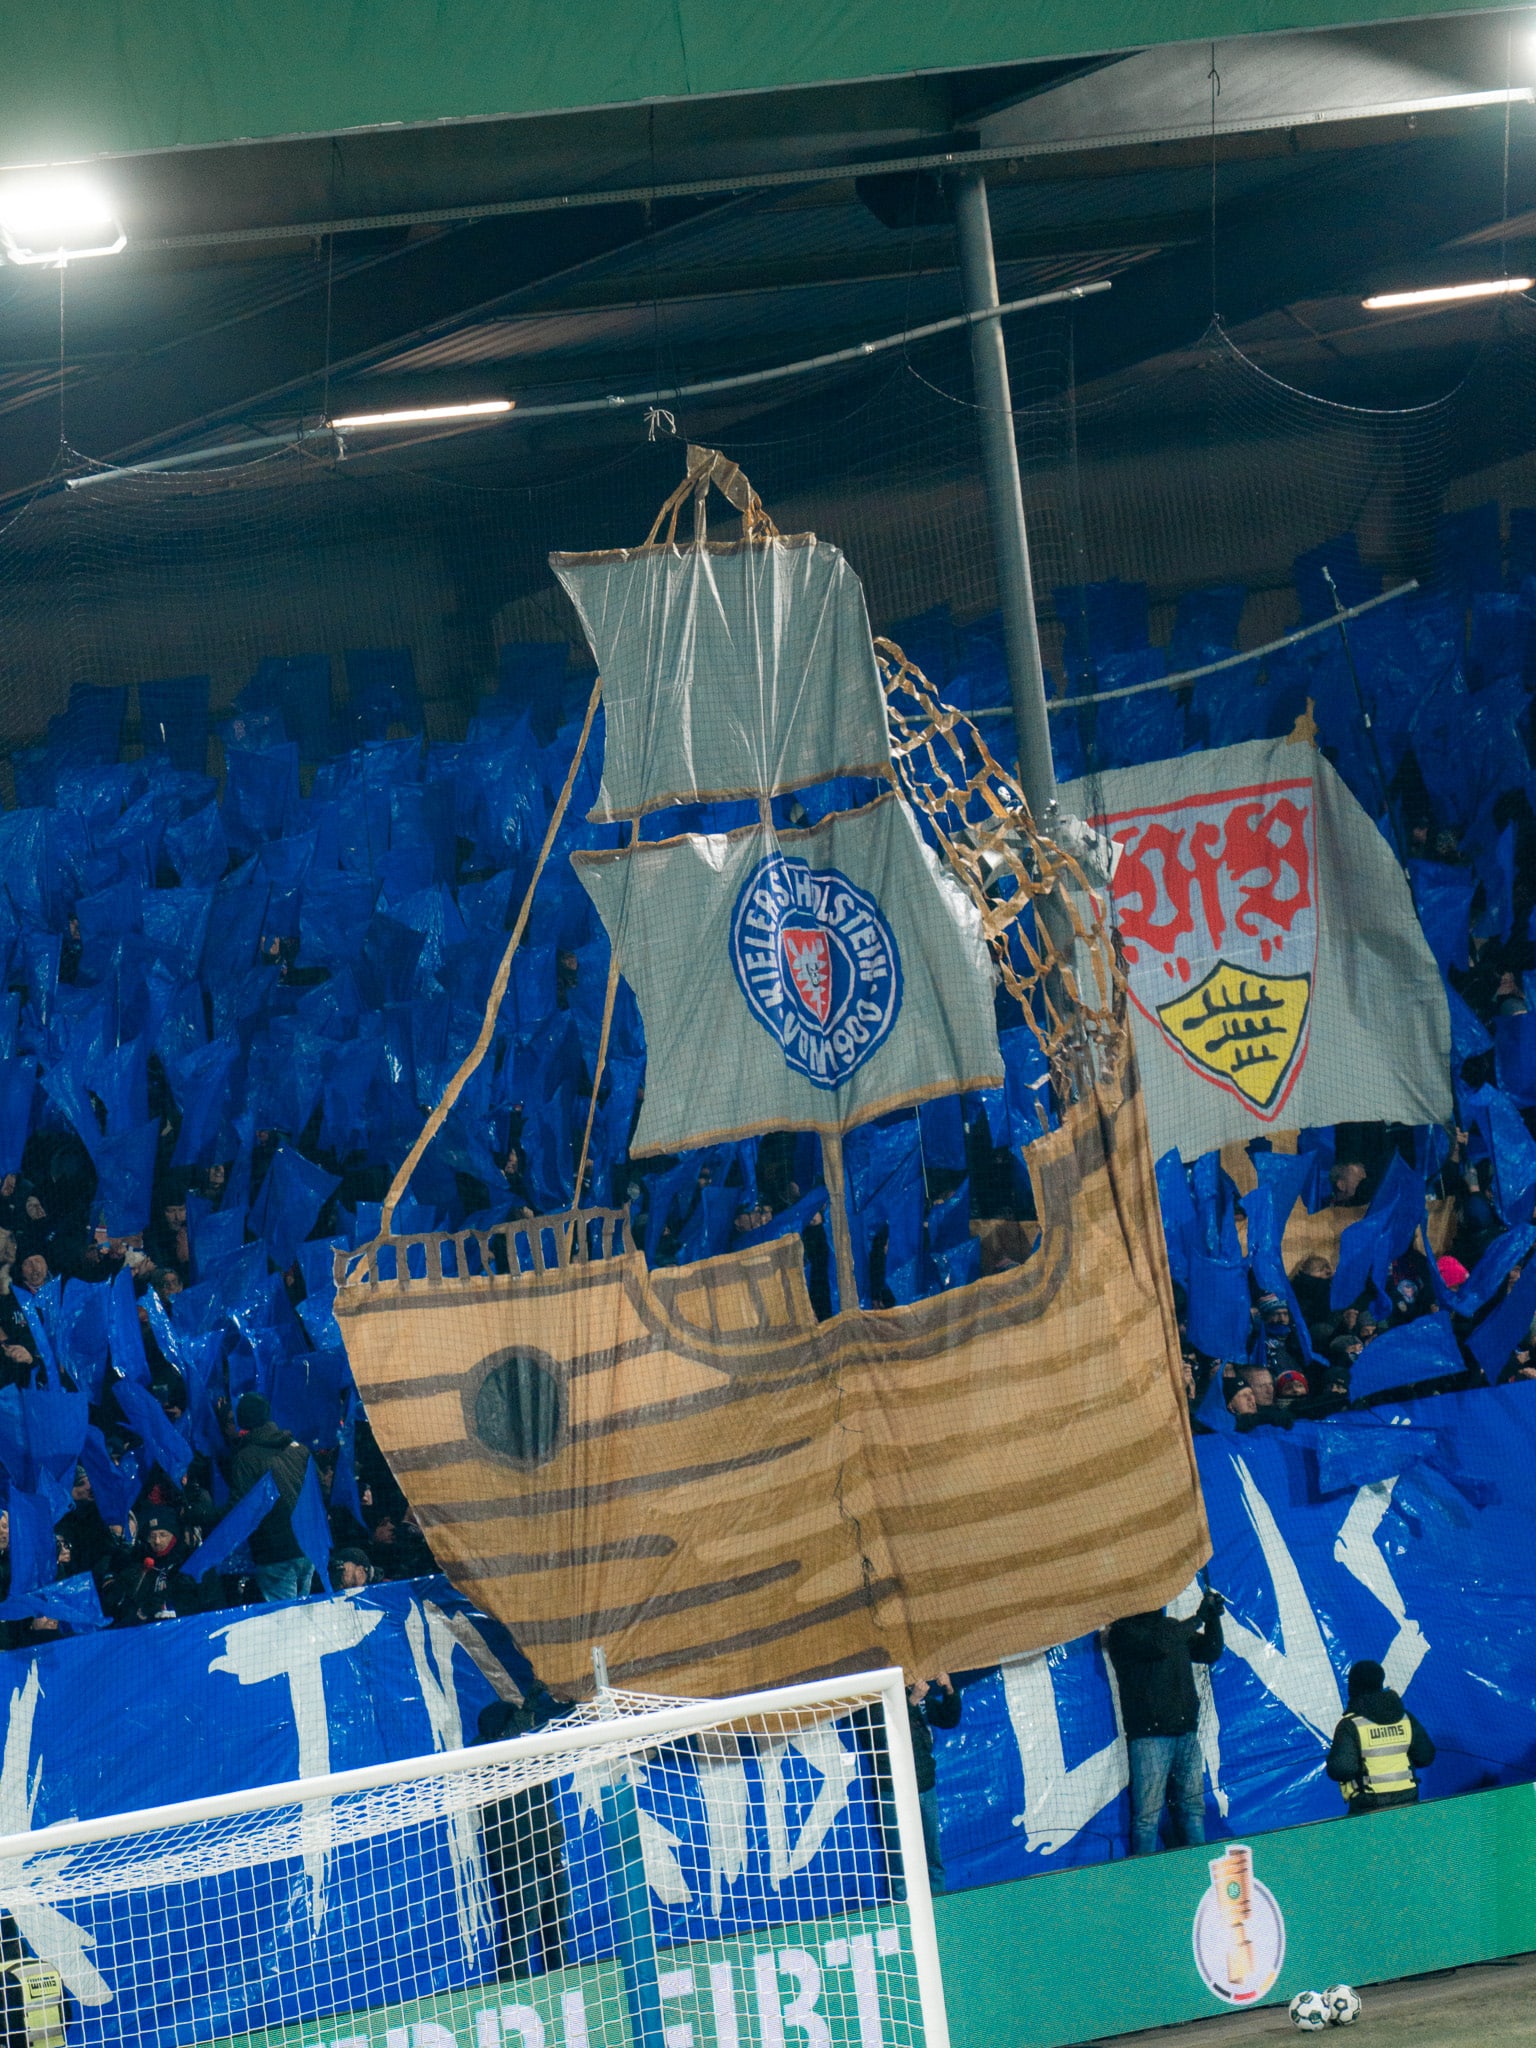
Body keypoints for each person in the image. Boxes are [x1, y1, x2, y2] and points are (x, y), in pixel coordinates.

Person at [1106, 1589, 1224, 1854]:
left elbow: (1210, 1651)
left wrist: (1213, 1618)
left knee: (1193, 1809)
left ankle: (1200, 1873)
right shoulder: (1123, 1634)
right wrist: (1198, 1618)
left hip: (1186, 1734)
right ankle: (1148, 1885)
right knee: (1147, 1818)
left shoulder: (1171, 1628)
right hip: (1150, 1738)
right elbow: (1160, 1643)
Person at [476, 1692, 571, 1979]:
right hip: (516, 1858)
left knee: (556, 1926)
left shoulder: (532, 1751)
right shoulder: (483, 1759)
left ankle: (563, 1981)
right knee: (522, 1928)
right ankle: (510, 1991)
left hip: (547, 1851)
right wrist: (534, 1698)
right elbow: (518, 1730)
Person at [227, 1392, 316, 1601]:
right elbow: (321, 1490)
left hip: (276, 1553)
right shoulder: (298, 1449)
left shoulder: (245, 1458)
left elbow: (241, 1510)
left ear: (242, 1421)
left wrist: (203, 1514)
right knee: (303, 1616)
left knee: (286, 1623)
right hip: (309, 1546)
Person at [1326, 1660, 1435, 1815]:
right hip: (1408, 1801)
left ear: (1353, 1686)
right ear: (1380, 1682)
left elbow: (1342, 1768)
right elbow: (1425, 1757)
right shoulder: (1405, 1719)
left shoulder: (1350, 1725)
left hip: (1368, 1806)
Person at [907, 1675, 961, 1894]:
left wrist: (949, 1689)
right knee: (901, 1864)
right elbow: (883, 1734)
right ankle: (903, 1913)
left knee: (933, 1858)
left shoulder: (918, 1695)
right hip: (894, 1793)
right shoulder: (876, 1699)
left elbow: (948, 1718)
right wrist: (912, 1701)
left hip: (925, 1785)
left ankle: (939, 1905)